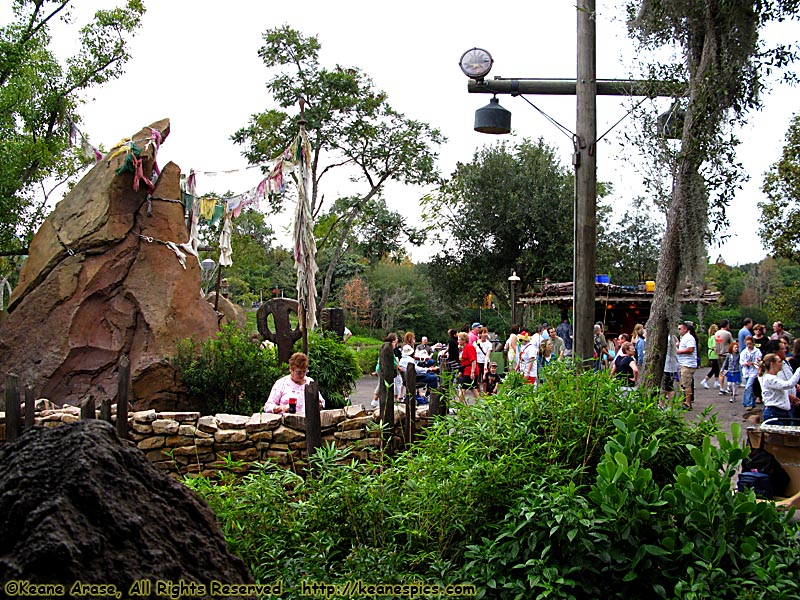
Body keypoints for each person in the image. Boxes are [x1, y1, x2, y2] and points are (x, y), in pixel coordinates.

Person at [758, 353, 800, 424]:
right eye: (779, 362)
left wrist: (790, 397)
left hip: (783, 412)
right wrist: (799, 370)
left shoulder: (775, 377)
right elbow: (788, 385)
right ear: (772, 364)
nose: (781, 364)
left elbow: (778, 392)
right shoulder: (769, 378)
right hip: (774, 413)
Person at [677, 321, 698, 410]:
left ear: (685, 329)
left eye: (680, 329)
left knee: (687, 384)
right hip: (683, 363)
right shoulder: (684, 337)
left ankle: (688, 403)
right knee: (684, 384)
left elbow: (690, 349)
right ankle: (686, 401)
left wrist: (678, 351)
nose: (679, 331)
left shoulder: (689, 338)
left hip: (688, 364)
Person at [740, 336, 762, 411]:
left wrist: (755, 363)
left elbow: (759, 361)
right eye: (747, 344)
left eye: (750, 344)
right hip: (746, 371)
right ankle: (752, 403)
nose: (749, 346)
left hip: (754, 371)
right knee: (750, 388)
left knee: (748, 386)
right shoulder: (744, 352)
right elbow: (741, 361)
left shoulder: (757, 351)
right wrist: (745, 364)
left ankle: (747, 403)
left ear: (753, 343)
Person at [457, 331, 480, 401]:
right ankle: (482, 405)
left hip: (469, 370)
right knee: (473, 388)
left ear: (464, 340)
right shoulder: (464, 348)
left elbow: (473, 360)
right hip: (466, 370)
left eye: (459, 339)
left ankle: (458, 405)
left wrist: (472, 372)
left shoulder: (469, 347)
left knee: (462, 388)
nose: (458, 341)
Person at [714, 319, 734, 394]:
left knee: (721, 371)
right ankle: (729, 387)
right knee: (729, 371)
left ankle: (721, 388)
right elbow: (732, 344)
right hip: (726, 354)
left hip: (719, 354)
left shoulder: (716, 333)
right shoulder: (727, 334)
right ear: (726, 325)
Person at [701, 324, 720, 389]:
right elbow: (715, 347)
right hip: (714, 354)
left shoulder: (710, 337)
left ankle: (716, 382)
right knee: (714, 368)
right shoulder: (714, 337)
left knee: (716, 368)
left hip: (710, 353)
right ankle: (705, 380)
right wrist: (718, 353)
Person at [662, 332, 679, 403]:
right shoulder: (672, 337)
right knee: (666, 387)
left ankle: (669, 406)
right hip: (672, 366)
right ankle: (663, 404)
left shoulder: (668, 339)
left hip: (668, 366)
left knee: (668, 387)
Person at [474, 327, 493, 392]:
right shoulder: (476, 343)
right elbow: (474, 354)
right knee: (478, 380)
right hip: (477, 363)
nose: (485, 334)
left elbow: (487, 356)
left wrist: (485, 366)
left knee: (485, 380)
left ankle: (485, 394)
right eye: (484, 333)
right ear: (480, 334)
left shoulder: (489, 344)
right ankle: (478, 394)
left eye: (486, 333)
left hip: (486, 362)